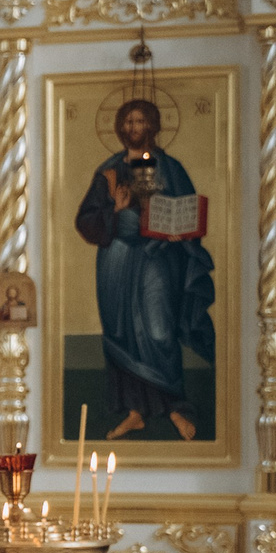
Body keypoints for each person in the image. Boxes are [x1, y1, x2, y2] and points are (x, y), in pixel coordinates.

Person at [76, 97, 215, 442]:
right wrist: (117, 212)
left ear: (152, 126)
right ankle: (134, 413)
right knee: (120, 333)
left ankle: (175, 408)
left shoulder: (170, 168)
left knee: (158, 331)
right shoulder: (108, 171)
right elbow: (86, 220)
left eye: (139, 122)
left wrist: (177, 227)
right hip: (118, 260)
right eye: (127, 123)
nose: (133, 128)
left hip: (158, 259)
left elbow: (187, 211)